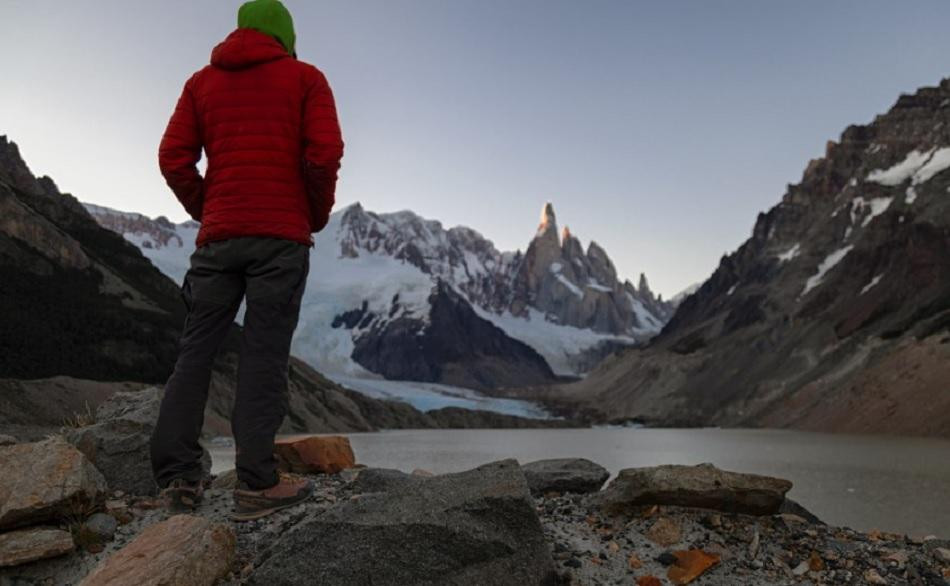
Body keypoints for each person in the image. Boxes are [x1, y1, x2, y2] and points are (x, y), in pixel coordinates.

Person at [150, 0, 344, 521]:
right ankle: (256, 484)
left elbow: (173, 156)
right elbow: (324, 153)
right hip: (280, 239)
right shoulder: (306, 79)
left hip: (218, 240)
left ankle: (179, 478)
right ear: (286, 36)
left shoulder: (201, 82)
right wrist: (314, 214)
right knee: (264, 356)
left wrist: (209, 207)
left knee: (195, 353)